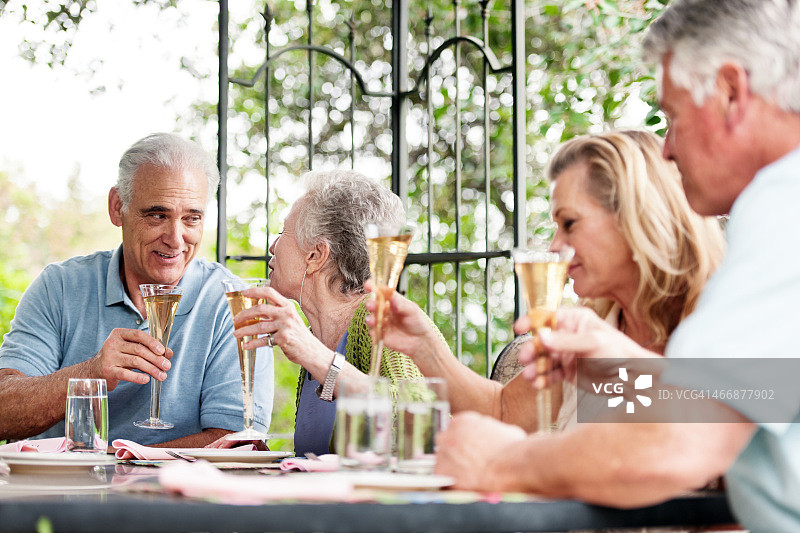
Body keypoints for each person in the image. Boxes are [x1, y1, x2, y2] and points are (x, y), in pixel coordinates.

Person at [434, 1, 800, 530]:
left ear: (730, 92)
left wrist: (499, 462)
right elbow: (758, 395)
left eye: (672, 117)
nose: (667, 149)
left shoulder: (782, 204)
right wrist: (621, 367)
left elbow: (677, 443)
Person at [365, 130, 724, 432]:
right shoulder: (593, 331)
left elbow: (748, 409)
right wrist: (425, 346)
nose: (555, 246)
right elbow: (504, 411)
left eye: (569, 223)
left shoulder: (727, 318)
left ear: (638, 219)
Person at [0, 132, 273, 447]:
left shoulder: (230, 301)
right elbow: (5, 412)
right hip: (63, 493)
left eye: (191, 218)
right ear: (118, 207)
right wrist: (91, 373)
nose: (175, 238)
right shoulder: (59, 286)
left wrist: (120, 464)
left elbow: (235, 440)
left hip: (178, 495)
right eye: (157, 215)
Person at [217, 170, 423, 457]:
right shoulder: (319, 336)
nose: (272, 247)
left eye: (282, 233)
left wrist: (314, 354)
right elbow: (325, 459)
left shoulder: (381, 321)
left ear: (316, 255)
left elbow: (419, 429)